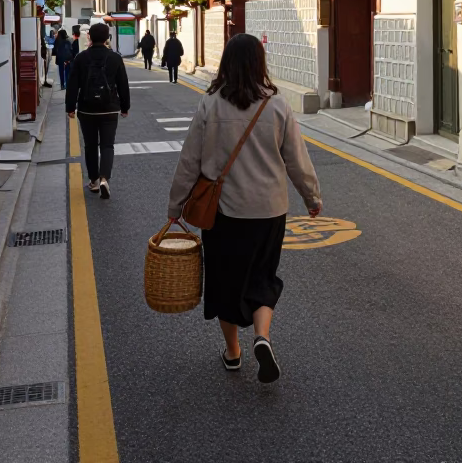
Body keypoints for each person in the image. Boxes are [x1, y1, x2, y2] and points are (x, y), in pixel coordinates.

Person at [166, 33, 321, 383]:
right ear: (259, 63)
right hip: (269, 210)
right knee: (262, 277)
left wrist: (175, 205)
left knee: (225, 282)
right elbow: (297, 159)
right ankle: (262, 338)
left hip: (223, 214)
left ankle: (233, 353)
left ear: (226, 64)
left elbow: (190, 161)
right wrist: (311, 197)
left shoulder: (210, 103)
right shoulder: (277, 104)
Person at [66, 22, 131, 199]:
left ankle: (93, 181)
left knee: (90, 145)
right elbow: (123, 84)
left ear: (89, 37)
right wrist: (125, 107)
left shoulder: (81, 58)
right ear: (107, 38)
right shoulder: (115, 58)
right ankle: (104, 178)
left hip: (87, 109)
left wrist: (70, 107)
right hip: (109, 109)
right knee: (108, 145)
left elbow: (73, 84)